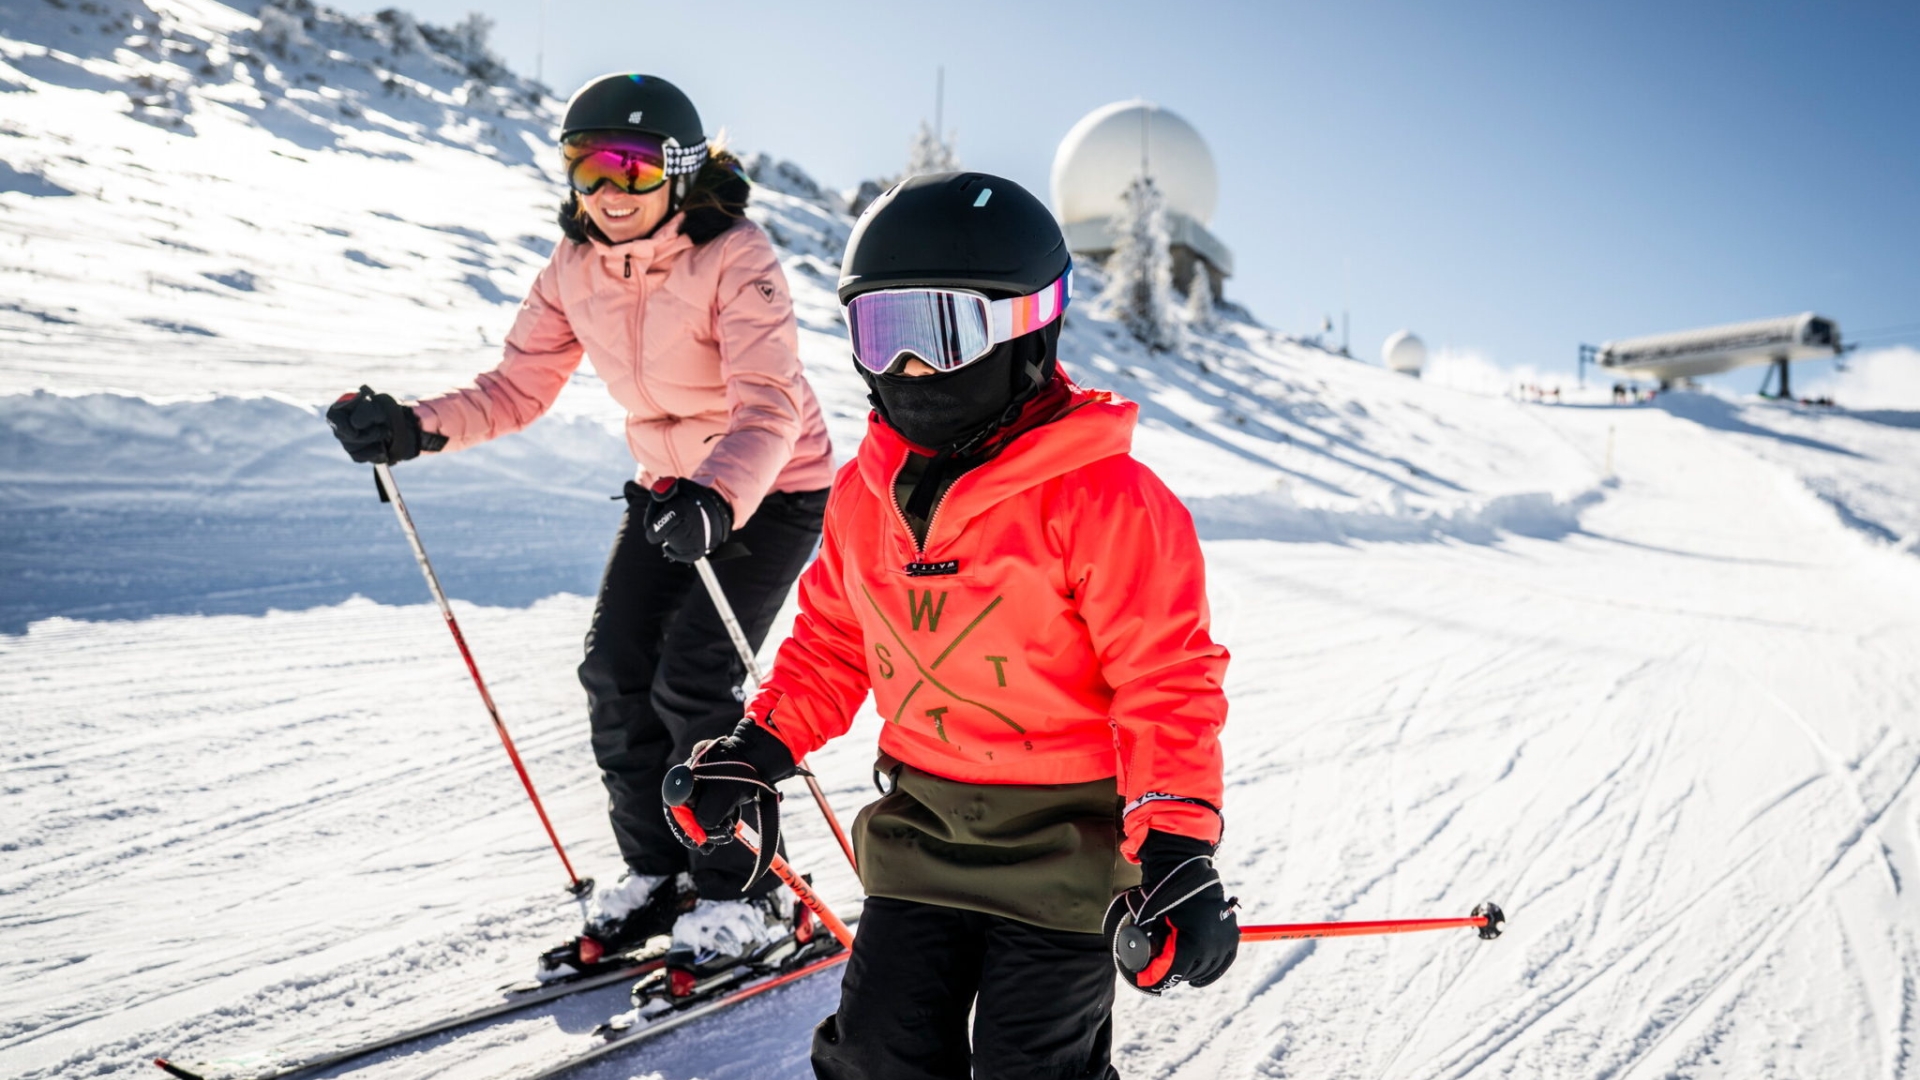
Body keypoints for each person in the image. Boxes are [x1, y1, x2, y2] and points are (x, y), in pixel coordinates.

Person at [664, 173, 1238, 1079]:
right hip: (923, 835)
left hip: (1069, 853)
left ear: (1027, 329)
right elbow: (837, 639)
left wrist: (1174, 844)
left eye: (940, 333)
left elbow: (1164, 679)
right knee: (880, 1053)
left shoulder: (1107, 499)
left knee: (1028, 1064)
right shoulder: (866, 492)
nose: (907, 371)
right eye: (880, 334)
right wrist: (757, 746)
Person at [324, 73, 834, 973]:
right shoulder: (574, 267)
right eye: (590, 167)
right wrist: (414, 424)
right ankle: (658, 871)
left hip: (767, 490)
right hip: (669, 490)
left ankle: (747, 893)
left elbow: (769, 407)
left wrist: (717, 498)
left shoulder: (735, 255)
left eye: (634, 171)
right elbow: (517, 388)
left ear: (678, 174)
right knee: (612, 671)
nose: (609, 191)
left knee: (693, 683)